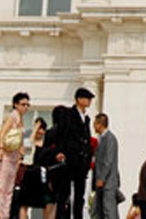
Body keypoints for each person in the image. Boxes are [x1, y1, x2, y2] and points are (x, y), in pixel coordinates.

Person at [57, 88, 95, 219]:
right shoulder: (68, 114)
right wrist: (60, 151)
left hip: (82, 161)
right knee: (65, 193)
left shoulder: (86, 118)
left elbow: (87, 139)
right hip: (70, 158)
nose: (89, 101)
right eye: (87, 98)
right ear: (79, 99)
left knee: (80, 195)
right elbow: (62, 133)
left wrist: (88, 156)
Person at [0, 92, 29, 219]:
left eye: (27, 105)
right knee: (1, 185)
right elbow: (3, 132)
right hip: (6, 154)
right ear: (15, 104)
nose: (25, 107)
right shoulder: (12, 116)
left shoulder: (20, 118)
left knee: (9, 187)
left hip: (13, 156)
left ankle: (4, 214)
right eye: (23, 104)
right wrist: (1, 149)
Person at [17, 118, 55, 219]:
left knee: (47, 203)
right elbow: (28, 146)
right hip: (30, 173)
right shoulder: (30, 142)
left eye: (41, 128)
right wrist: (34, 129)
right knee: (24, 203)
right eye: (37, 128)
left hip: (43, 175)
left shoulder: (47, 143)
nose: (39, 131)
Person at [93, 113, 121, 219]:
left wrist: (102, 178)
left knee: (109, 211)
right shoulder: (102, 138)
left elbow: (108, 161)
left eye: (95, 124)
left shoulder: (109, 139)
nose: (94, 127)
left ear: (100, 124)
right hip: (104, 183)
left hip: (108, 183)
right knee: (102, 211)